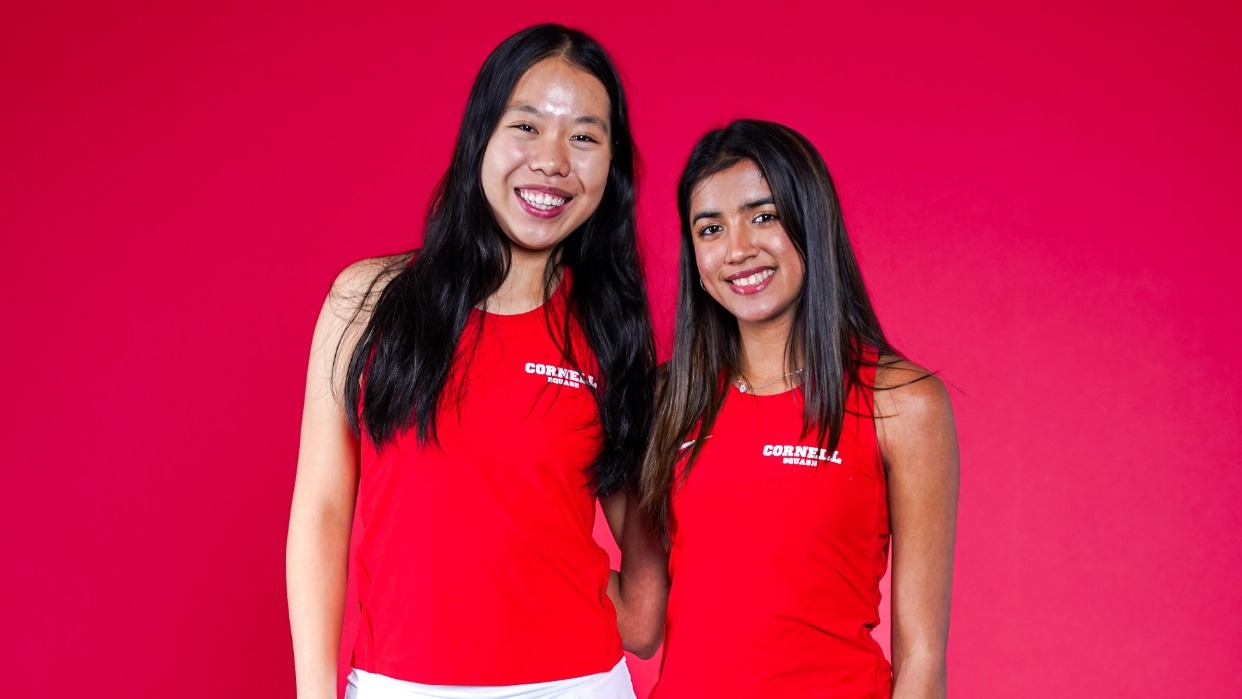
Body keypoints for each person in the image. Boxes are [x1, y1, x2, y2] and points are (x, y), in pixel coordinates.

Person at [287, 24, 667, 699]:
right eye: (527, 126)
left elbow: (642, 615)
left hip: (576, 682)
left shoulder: (609, 334)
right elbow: (320, 511)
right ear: (479, 139)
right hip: (398, 683)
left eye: (584, 137)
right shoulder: (367, 302)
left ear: (611, 169)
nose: (552, 160)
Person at [640, 119, 959, 698]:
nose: (738, 249)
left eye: (764, 216)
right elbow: (636, 609)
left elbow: (922, 660)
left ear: (811, 222)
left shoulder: (900, 403)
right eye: (710, 228)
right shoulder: (667, 400)